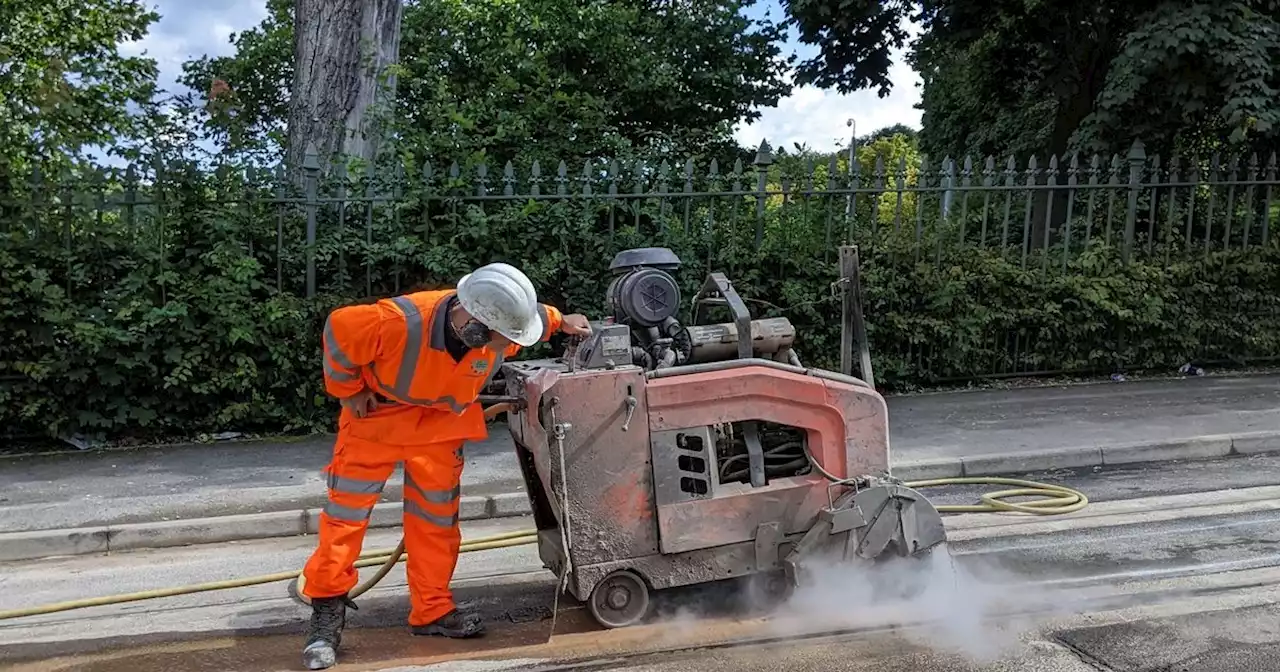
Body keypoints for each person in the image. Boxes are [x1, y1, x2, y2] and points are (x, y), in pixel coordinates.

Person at [299, 262, 592, 670]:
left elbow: (538, 317)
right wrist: (349, 391)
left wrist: (564, 322)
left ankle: (431, 610)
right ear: (471, 321)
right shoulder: (397, 323)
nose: (505, 347)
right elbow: (338, 330)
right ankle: (327, 613)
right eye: (499, 338)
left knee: (436, 522)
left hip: (440, 426)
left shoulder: (503, 322)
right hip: (377, 420)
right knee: (346, 519)